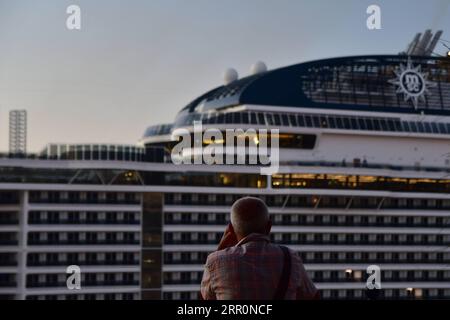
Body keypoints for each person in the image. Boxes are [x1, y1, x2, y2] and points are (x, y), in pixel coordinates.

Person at [200, 197, 319, 300]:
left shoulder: (215, 261)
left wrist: (221, 249)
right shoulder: (291, 257)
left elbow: (205, 298)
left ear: (230, 229)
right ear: (269, 227)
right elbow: (313, 296)